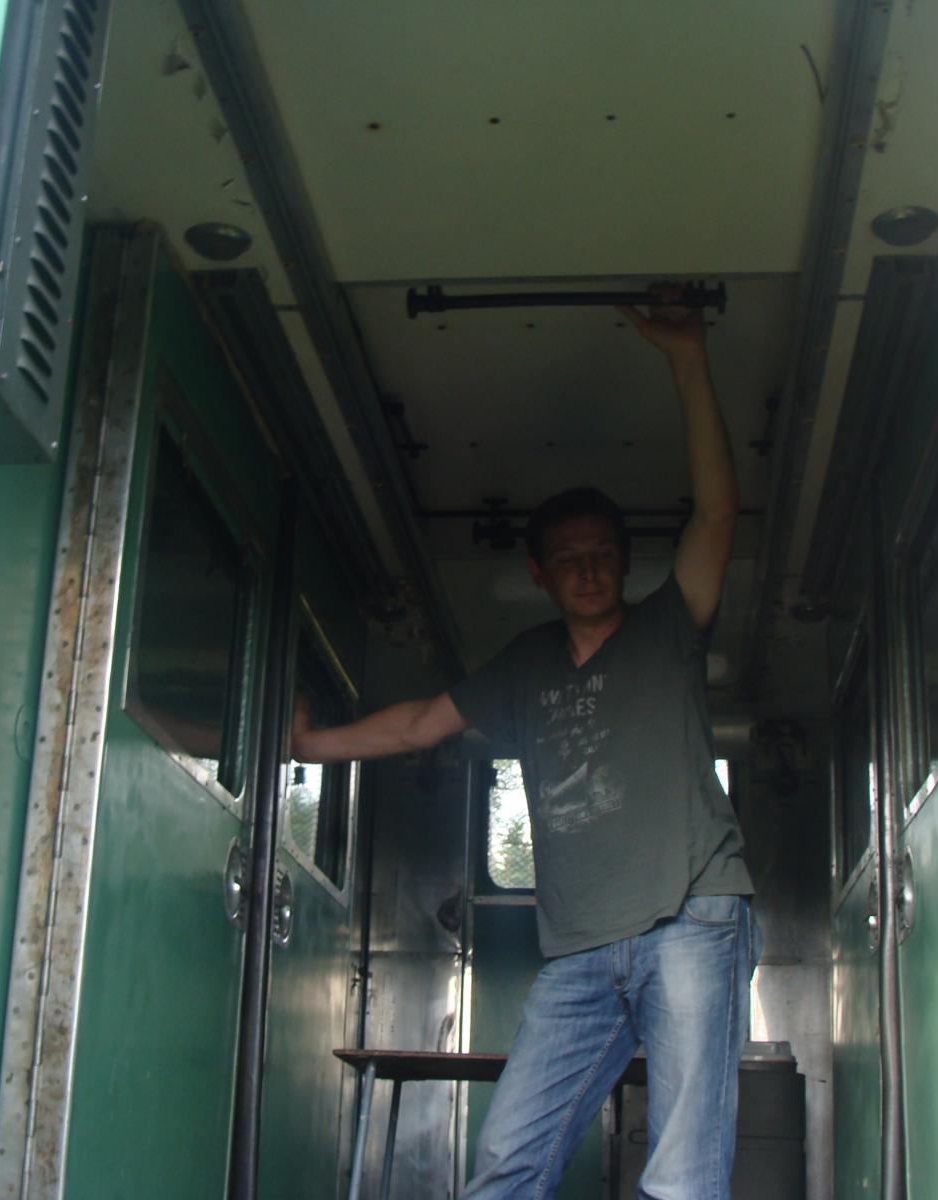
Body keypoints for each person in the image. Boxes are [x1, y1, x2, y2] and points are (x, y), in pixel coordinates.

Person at [292, 285, 758, 1199]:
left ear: (624, 562)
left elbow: (715, 515)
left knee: (680, 1178)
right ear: (540, 573)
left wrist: (687, 360)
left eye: (603, 554)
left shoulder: (668, 627)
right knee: (507, 1157)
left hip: (692, 916)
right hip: (580, 950)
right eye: (569, 558)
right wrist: (311, 748)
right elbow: (416, 724)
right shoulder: (524, 665)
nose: (588, 570)